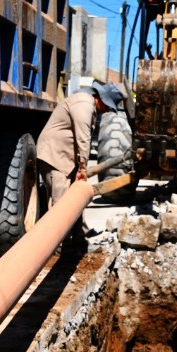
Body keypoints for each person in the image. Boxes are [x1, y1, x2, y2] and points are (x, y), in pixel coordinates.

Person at [36, 81, 124, 246]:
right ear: (102, 99)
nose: (107, 110)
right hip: (55, 156)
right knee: (60, 204)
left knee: (74, 200)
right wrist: (83, 168)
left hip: (65, 158)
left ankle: (78, 240)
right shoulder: (84, 104)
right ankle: (56, 247)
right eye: (108, 106)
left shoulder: (89, 105)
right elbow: (83, 138)